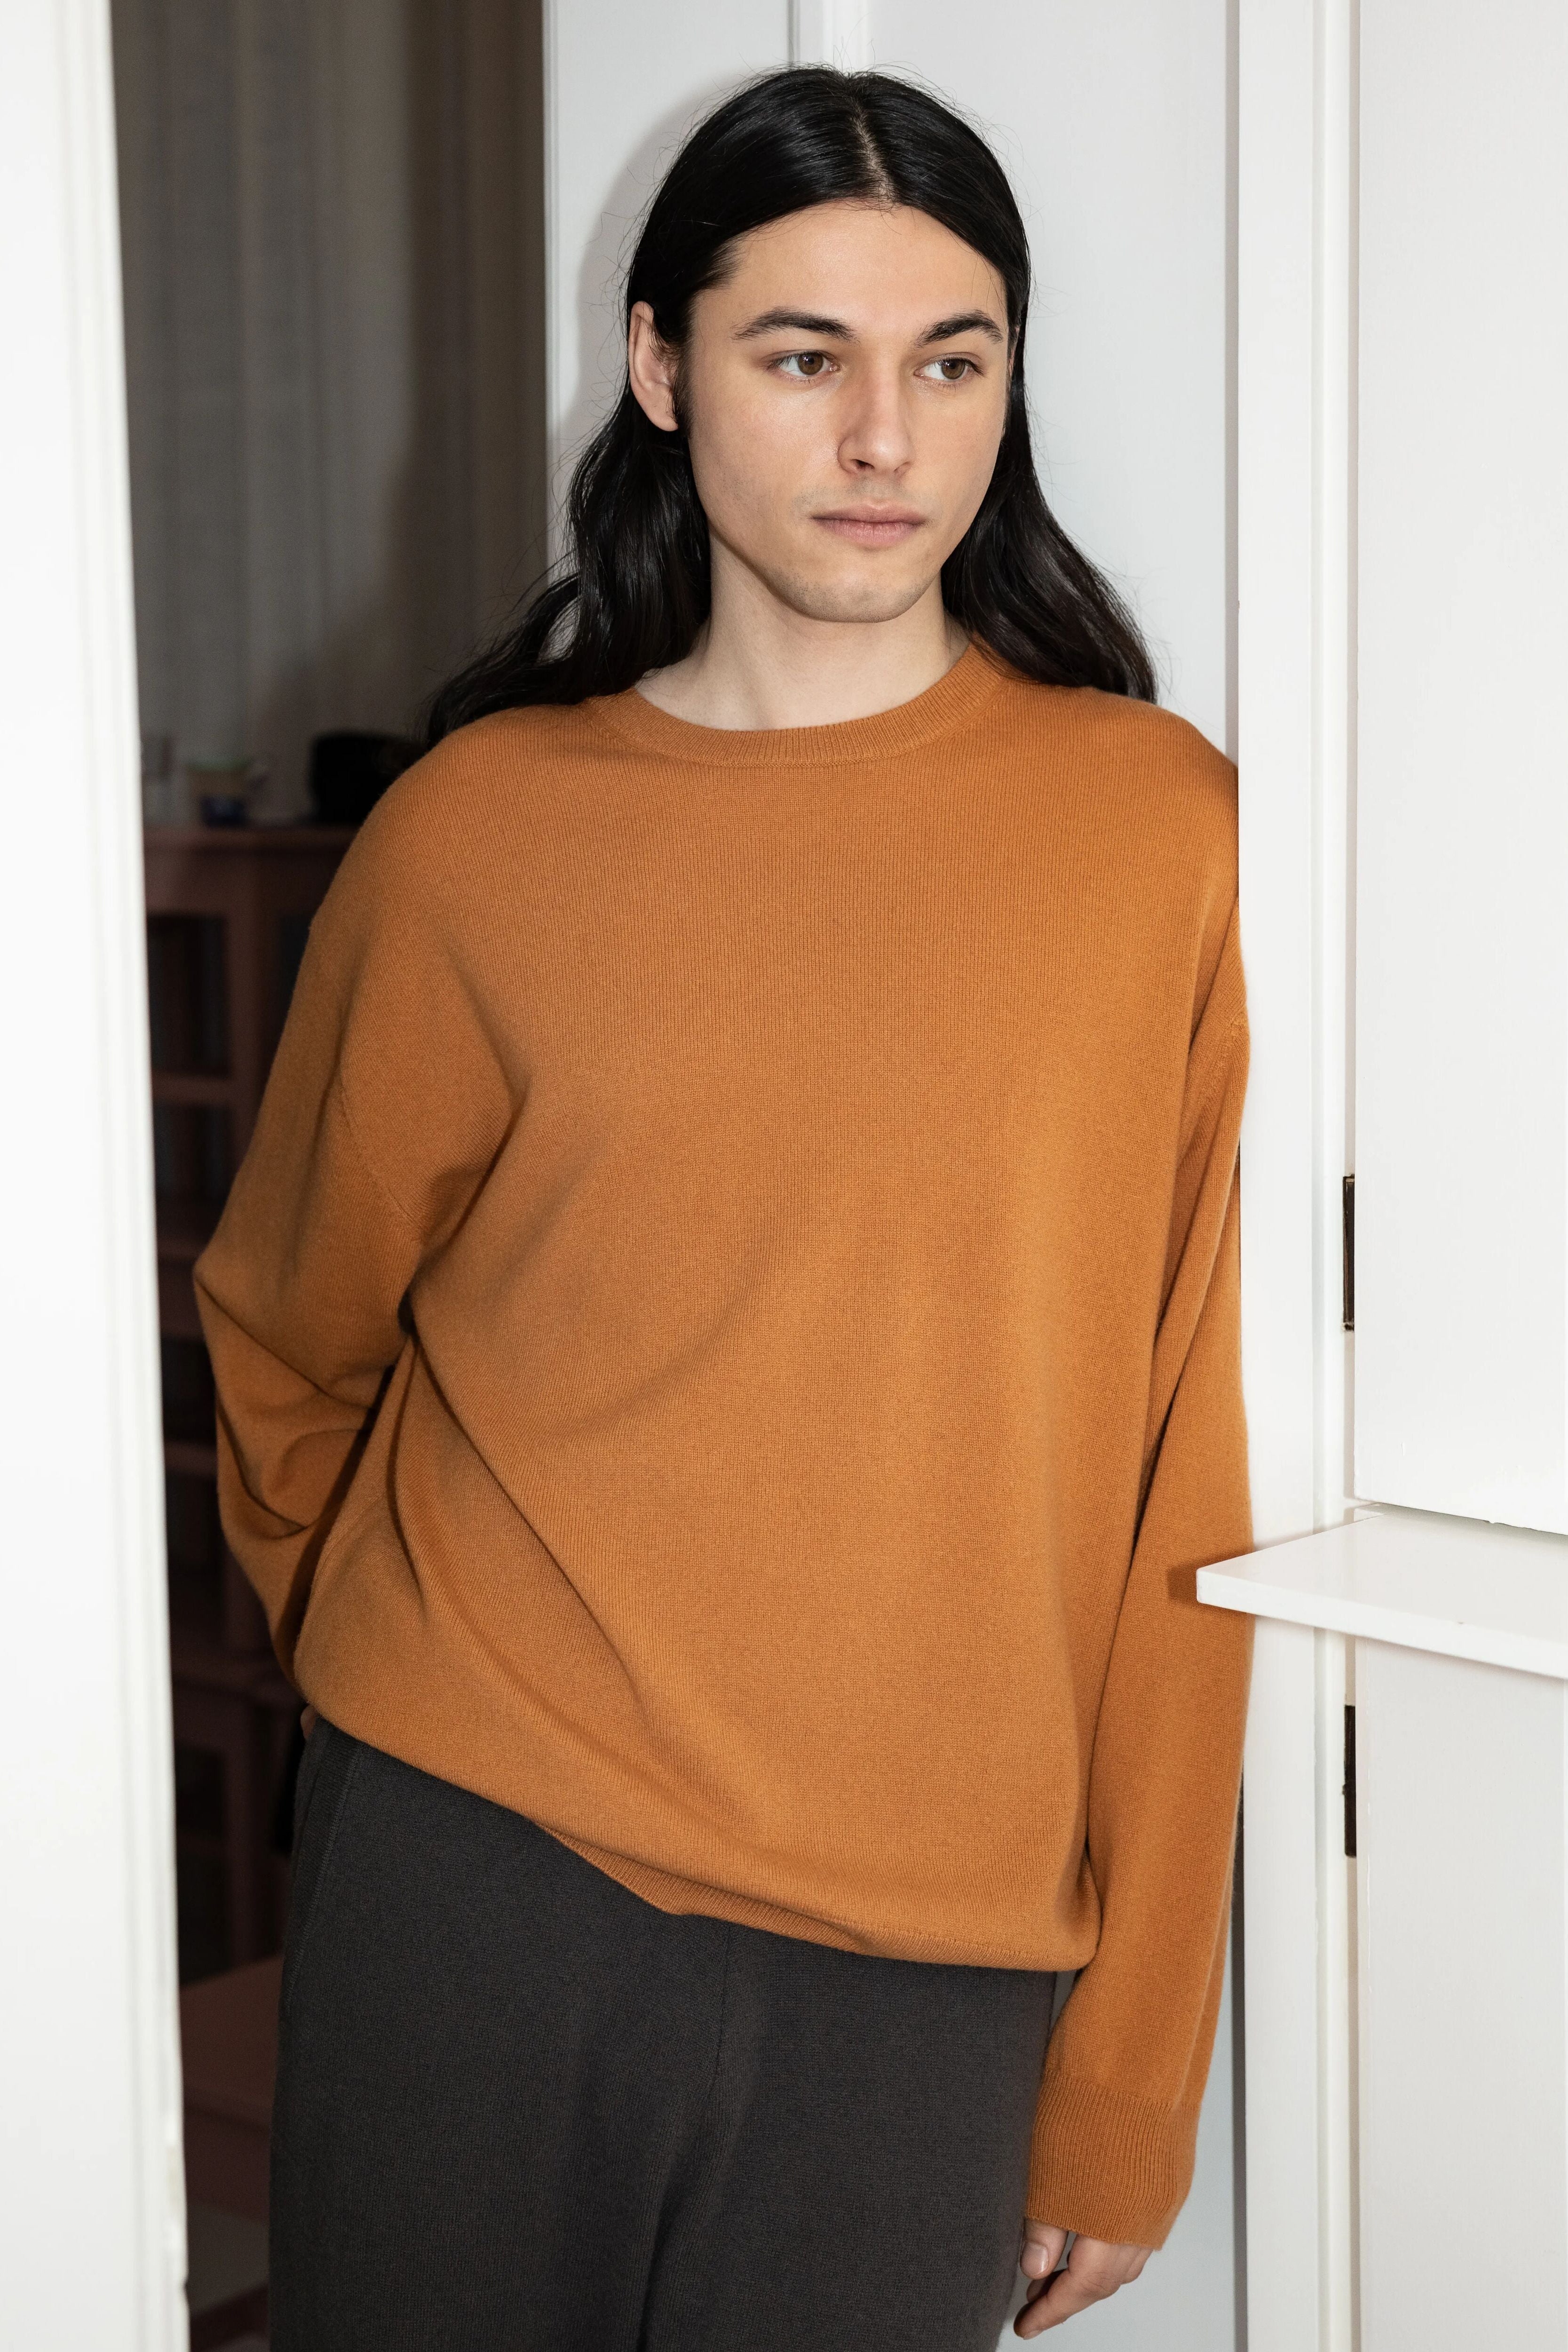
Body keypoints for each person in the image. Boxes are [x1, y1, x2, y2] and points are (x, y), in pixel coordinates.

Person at [195, 65, 1251, 2352]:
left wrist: (1133, 2066)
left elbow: (1191, 1489)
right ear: (662, 366)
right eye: (804, 355)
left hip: (928, 1959)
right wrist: (397, 1675)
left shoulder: (1157, 835)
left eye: (951, 361)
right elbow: (288, 1329)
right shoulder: (479, 831)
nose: (885, 438)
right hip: (469, 1878)